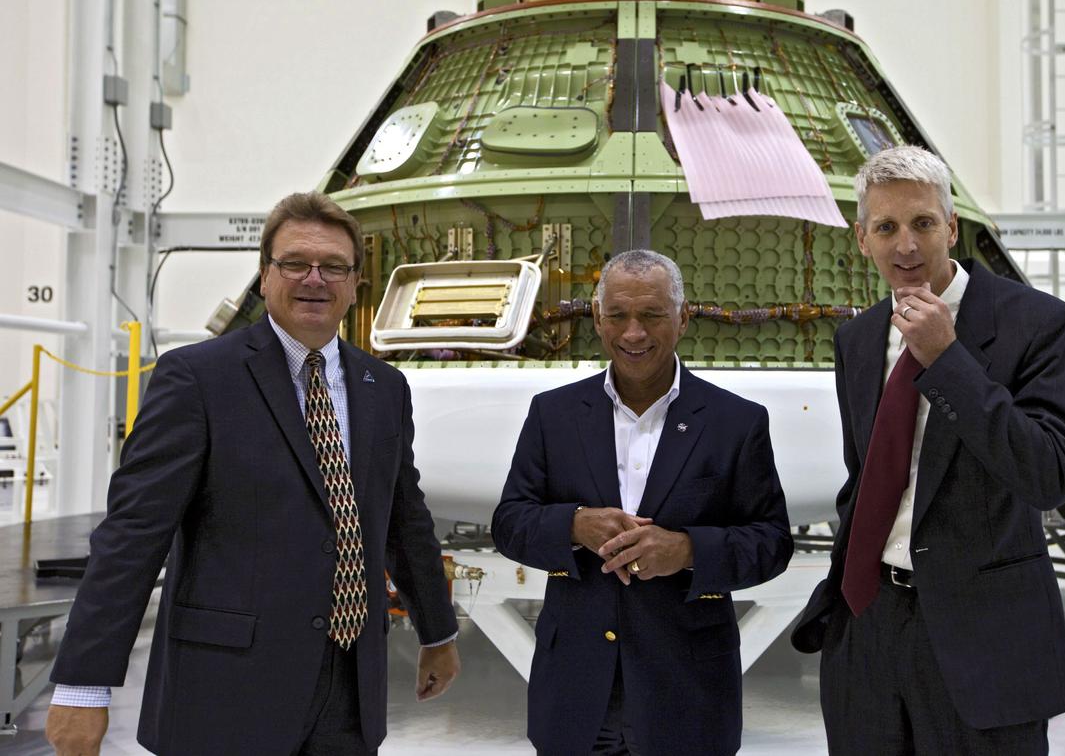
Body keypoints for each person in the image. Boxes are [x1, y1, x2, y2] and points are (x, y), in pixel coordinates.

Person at [45, 192, 460, 755]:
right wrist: (83, 686)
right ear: (265, 276)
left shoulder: (383, 388)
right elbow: (132, 536)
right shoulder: (197, 379)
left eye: (333, 266)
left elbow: (403, 521)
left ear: (355, 282)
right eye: (295, 263)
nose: (315, 279)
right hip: (225, 691)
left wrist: (438, 631)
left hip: (347, 691)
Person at [792, 145, 1065, 755]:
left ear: (951, 227)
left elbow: (1049, 474)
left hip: (984, 638)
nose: (907, 246)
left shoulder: (1041, 324)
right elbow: (866, 478)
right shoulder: (859, 338)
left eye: (924, 223)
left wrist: (949, 360)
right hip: (869, 628)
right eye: (887, 228)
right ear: (862, 240)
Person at [492, 249, 793, 756]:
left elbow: (771, 542)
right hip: (576, 693)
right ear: (597, 317)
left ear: (683, 317)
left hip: (687, 693)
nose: (634, 333)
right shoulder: (554, 414)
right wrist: (575, 526)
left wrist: (686, 550)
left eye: (652, 315)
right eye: (618, 316)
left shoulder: (735, 422)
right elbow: (510, 522)